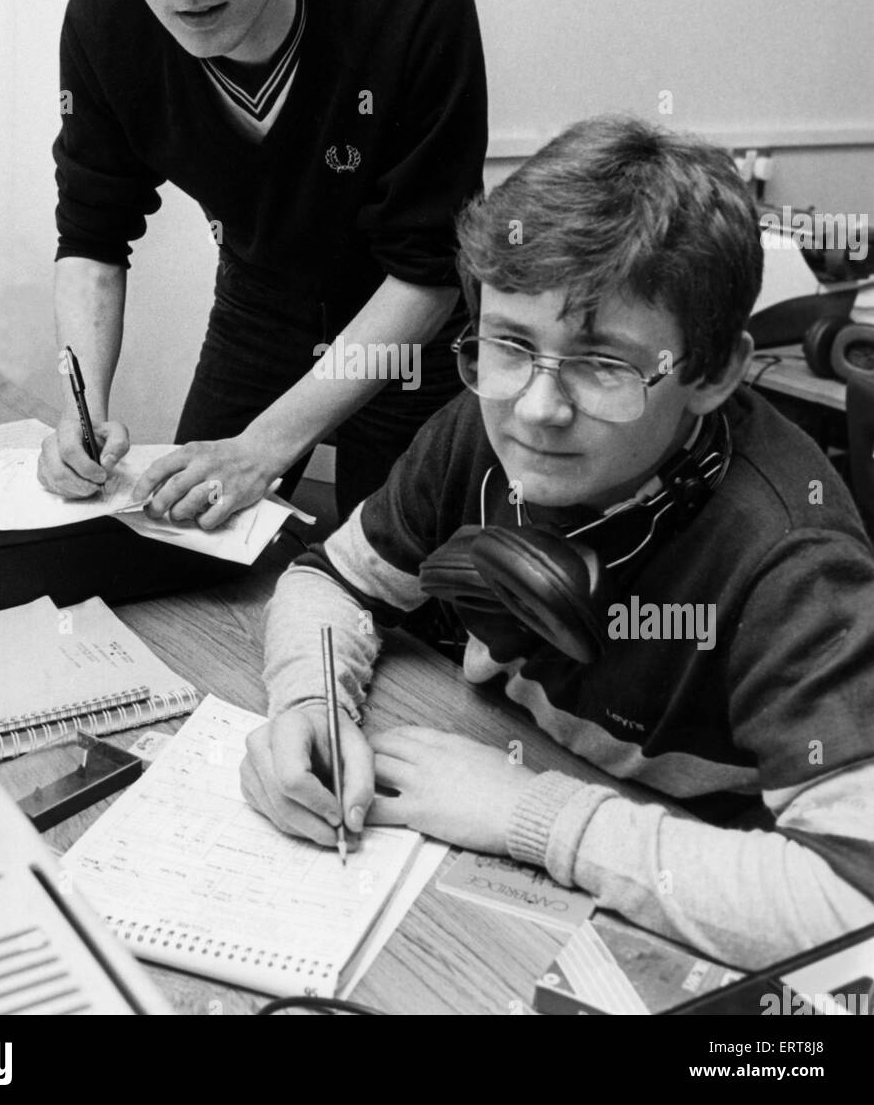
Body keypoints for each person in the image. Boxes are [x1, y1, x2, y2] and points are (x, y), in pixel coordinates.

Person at [241, 115, 874, 969]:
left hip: (680, 907)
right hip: (491, 828)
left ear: (712, 373)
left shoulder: (793, 562)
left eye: (604, 364)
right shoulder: (479, 424)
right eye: (509, 345)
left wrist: (530, 815)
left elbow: (850, 902)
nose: (536, 410)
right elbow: (337, 580)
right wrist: (310, 703)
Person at [39, 0, 487, 526]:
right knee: (188, 545)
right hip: (260, 304)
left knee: (398, 584)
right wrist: (79, 405)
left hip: (412, 330)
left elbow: (426, 267)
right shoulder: (103, 23)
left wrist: (265, 447)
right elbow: (93, 239)